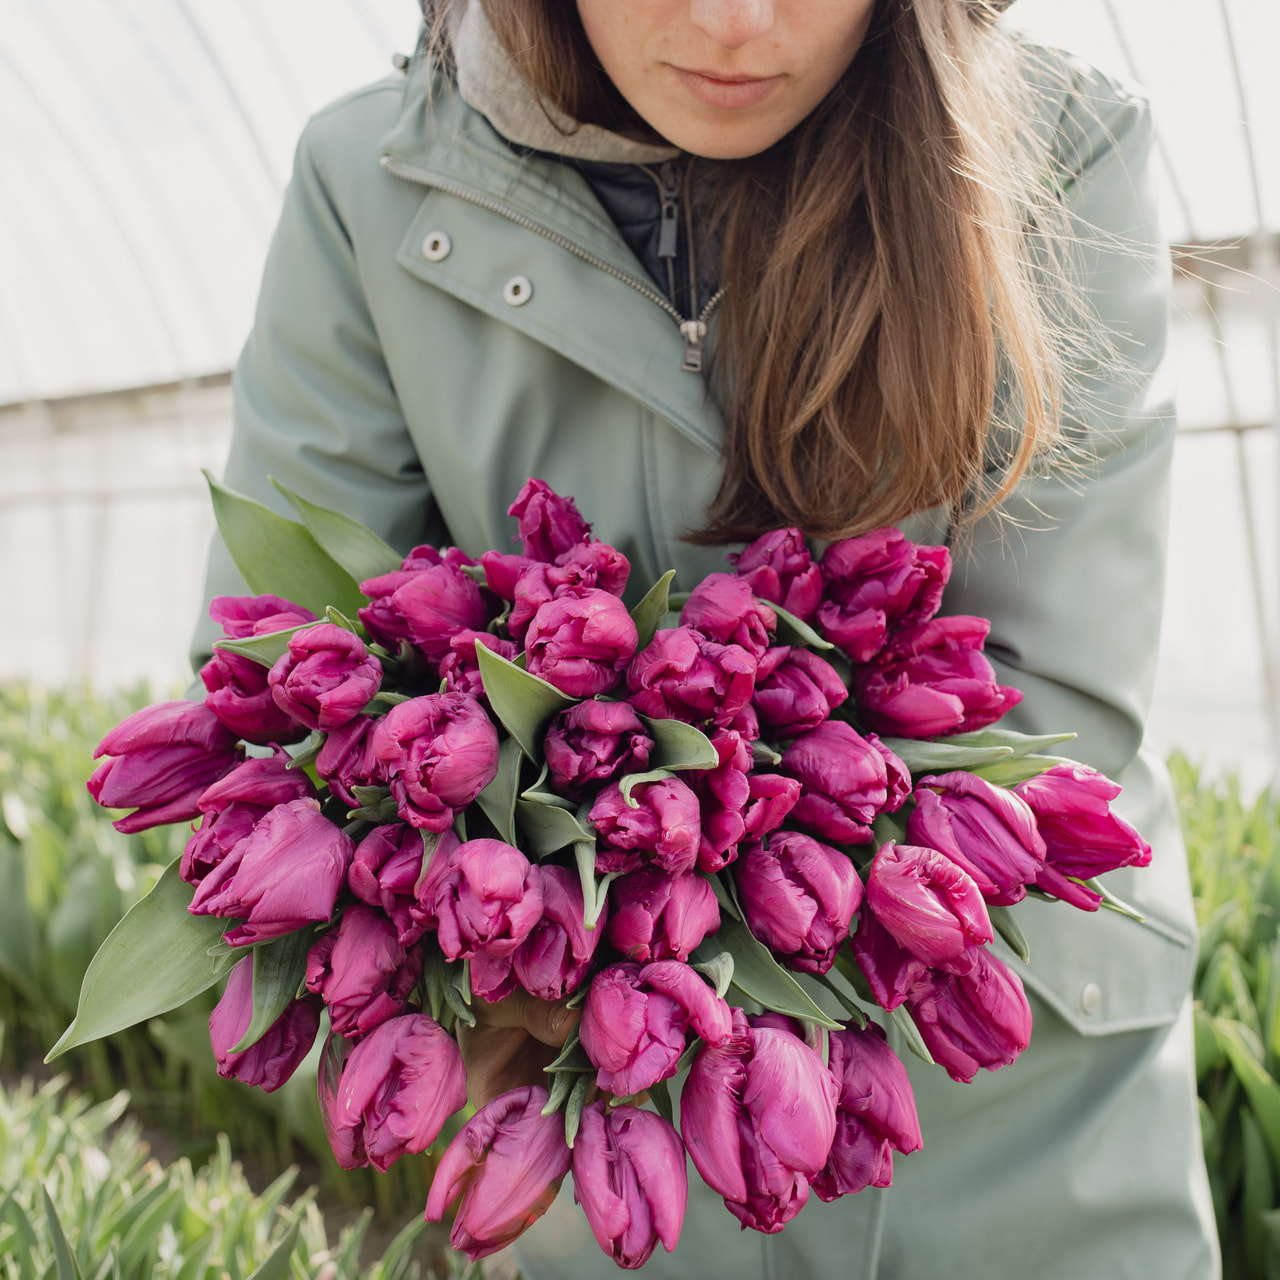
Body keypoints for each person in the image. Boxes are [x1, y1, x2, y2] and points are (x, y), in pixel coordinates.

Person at [194, 0, 1220, 1275]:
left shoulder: (1048, 146)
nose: (737, 20)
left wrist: (564, 867)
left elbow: (1049, 701)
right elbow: (280, 686)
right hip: (616, 1145)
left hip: (1021, 1137)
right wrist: (504, 950)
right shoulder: (376, 178)